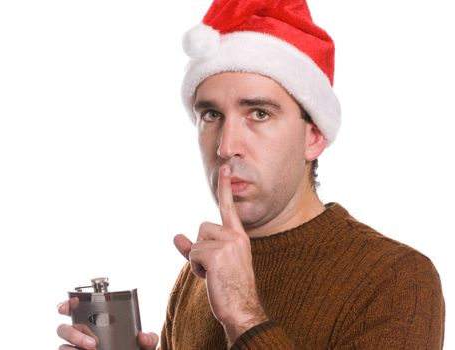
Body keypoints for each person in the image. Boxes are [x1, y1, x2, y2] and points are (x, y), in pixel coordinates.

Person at [57, 0, 445, 348]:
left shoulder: (397, 281)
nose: (226, 147)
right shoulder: (196, 276)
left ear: (314, 137)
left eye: (259, 113)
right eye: (211, 115)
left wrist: (243, 316)